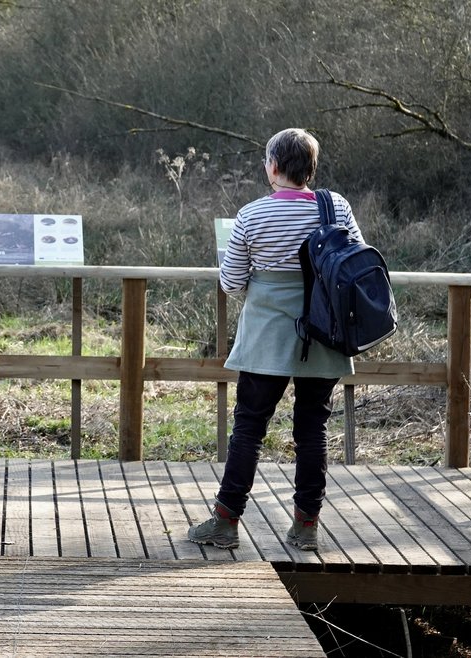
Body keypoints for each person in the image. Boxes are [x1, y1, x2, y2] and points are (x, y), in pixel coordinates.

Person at [187, 128, 362, 552]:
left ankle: (226, 523)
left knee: (248, 428)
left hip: (267, 334)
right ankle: (306, 527)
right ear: (311, 168)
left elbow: (231, 281)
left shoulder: (251, 215)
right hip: (324, 330)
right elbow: (356, 262)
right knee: (313, 429)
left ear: (274, 167)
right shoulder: (336, 207)